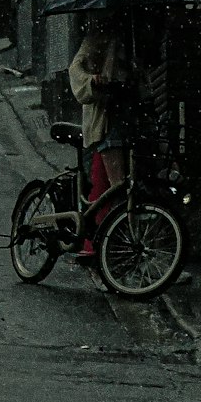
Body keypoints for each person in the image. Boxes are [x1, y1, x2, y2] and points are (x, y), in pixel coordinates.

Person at [69, 19, 130, 241]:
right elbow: (76, 70)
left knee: (119, 187)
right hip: (105, 119)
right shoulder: (97, 38)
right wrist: (93, 80)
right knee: (115, 186)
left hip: (129, 119)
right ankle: (107, 240)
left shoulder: (137, 36)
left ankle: (107, 240)